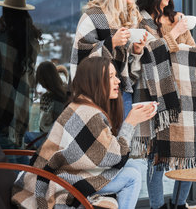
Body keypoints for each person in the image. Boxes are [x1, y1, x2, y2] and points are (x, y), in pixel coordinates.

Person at [11, 56, 157, 209]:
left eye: (116, 76)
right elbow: (116, 157)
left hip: (64, 174)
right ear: (94, 82)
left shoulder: (83, 105)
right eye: (111, 76)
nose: (118, 81)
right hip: (57, 182)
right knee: (132, 177)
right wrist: (130, 122)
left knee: (134, 165)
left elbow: (103, 155)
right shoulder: (88, 113)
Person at [132, 0, 196, 209]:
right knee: (156, 158)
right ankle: (157, 207)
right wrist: (175, 36)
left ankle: (180, 204)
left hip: (181, 92)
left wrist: (177, 33)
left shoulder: (176, 18)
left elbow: (192, 51)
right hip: (154, 92)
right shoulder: (141, 19)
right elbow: (148, 53)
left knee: (186, 154)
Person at [70, 0, 146, 114]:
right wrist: (110, 44)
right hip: (95, 98)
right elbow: (79, 63)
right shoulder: (91, 17)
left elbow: (126, 74)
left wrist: (136, 52)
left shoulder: (124, 18)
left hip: (121, 97)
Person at [0, 0, 42, 160]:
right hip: (22, 114)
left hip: (3, 116)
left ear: (5, 13)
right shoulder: (32, 44)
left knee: (9, 172)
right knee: (21, 167)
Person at [24, 61, 69, 149]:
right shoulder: (67, 92)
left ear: (43, 81)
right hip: (63, 140)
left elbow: (44, 126)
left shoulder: (49, 98)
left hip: (52, 140)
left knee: (24, 137)